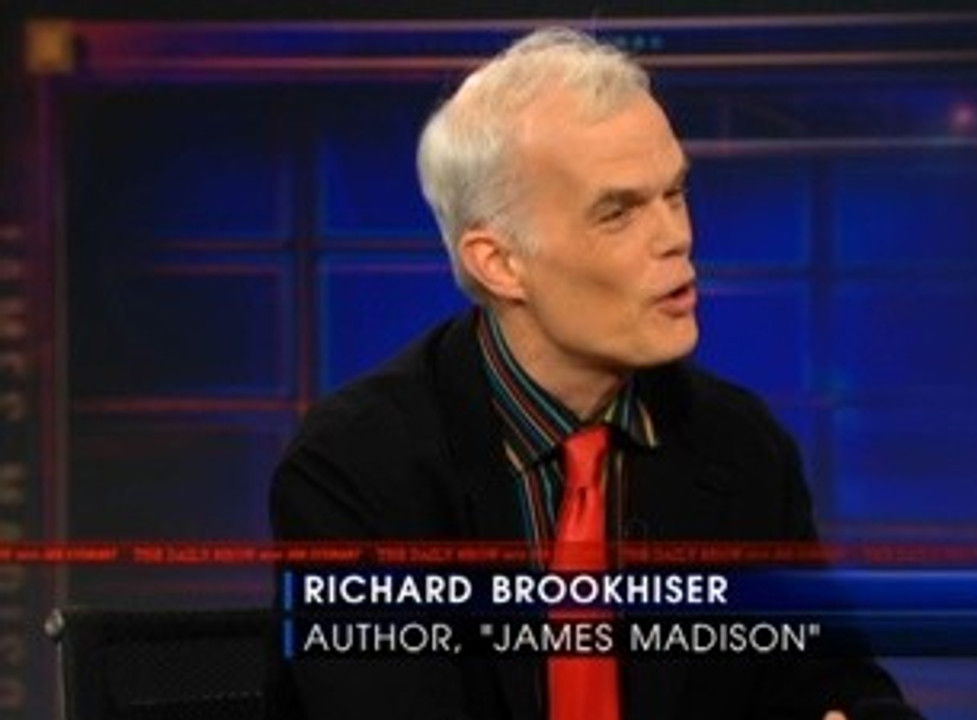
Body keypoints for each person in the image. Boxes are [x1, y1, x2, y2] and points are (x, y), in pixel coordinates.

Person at [270, 27, 920, 720]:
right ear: (500, 263)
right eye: (619, 212)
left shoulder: (741, 446)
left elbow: (831, 679)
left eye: (675, 193)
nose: (676, 237)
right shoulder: (355, 472)